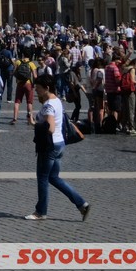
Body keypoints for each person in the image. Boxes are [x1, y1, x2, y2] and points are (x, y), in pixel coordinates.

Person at [26, 74, 91, 221]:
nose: (36, 91)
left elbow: (50, 128)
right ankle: (82, 204)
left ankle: (40, 212)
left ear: (47, 88)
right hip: (60, 143)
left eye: (38, 88)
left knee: (43, 178)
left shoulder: (49, 105)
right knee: (54, 178)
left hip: (50, 146)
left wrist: (35, 124)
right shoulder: (57, 101)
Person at [11, 53, 38, 125]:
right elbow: (35, 76)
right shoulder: (31, 63)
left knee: (17, 101)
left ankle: (14, 118)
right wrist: (34, 84)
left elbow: (13, 72)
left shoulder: (18, 62)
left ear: (23, 54)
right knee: (29, 102)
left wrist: (18, 78)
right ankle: (30, 118)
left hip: (19, 84)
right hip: (28, 84)